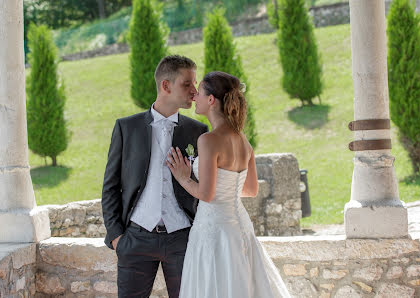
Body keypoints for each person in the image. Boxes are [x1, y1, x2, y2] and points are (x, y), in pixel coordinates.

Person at [167, 71, 291, 298]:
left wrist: (183, 177)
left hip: (214, 229)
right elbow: (250, 189)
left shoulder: (208, 140)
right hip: (240, 225)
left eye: (200, 93)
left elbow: (206, 194)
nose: (195, 97)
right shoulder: (243, 139)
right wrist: (225, 190)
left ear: (211, 100)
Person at [101, 55, 208, 298]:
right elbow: (110, 187)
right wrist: (117, 237)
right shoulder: (126, 127)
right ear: (166, 86)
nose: (194, 91)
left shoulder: (198, 132)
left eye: (195, 84)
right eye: (187, 84)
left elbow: (206, 188)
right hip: (135, 239)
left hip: (183, 238)